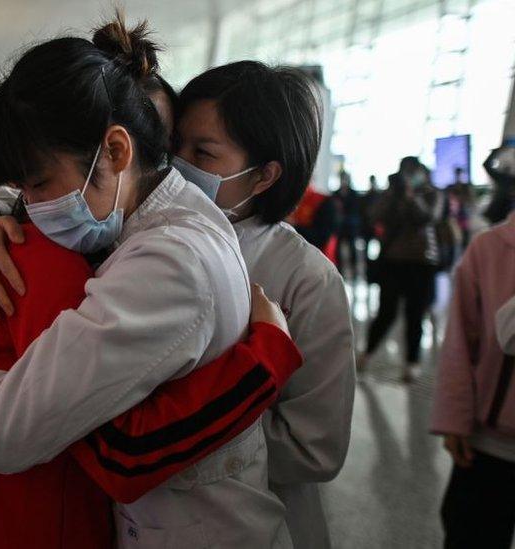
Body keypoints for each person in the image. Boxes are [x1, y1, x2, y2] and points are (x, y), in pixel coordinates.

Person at [0, 16, 291, 547]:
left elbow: (10, 432)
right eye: (21, 190)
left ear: (118, 151)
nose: (33, 206)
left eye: (39, 184)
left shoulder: (168, 262)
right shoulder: (145, 214)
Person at [170, 60, 355, 548]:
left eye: (202, 153)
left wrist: (169, 428)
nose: (177, 165)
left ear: (264, 175)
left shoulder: (305, 279)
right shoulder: (143, 239)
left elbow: (315, 447)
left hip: (253, 521)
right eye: (175, 146)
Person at [431, 192, 515, 548]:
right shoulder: (490, 248)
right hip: (490, 442)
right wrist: (455, 419)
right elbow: (460, 344)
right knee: (472, 532)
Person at [360, 160, 440, 382]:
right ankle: (367, 353)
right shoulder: (392, 194)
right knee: (386, 311)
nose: (410, 176)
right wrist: (392, 194)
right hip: (393, 261)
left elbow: (427, 218)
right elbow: (374, 215)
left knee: (415, 314)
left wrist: (411, 195)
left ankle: (412, 362)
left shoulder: (431, 194)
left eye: (414, 172)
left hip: (421, 262)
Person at [334, 170, 363, 277]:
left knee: (352, 249)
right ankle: (339, 270)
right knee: (338, 249)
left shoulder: (353, 194)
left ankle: (354, 271)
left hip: (350, 226)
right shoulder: (336, 193)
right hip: (340, 226)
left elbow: (356, 209)